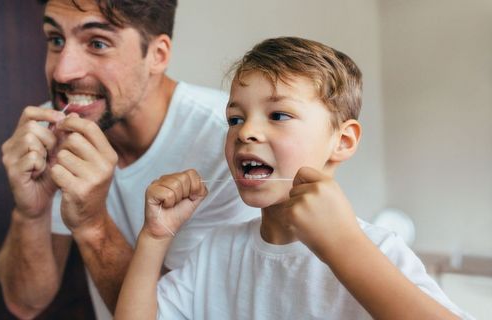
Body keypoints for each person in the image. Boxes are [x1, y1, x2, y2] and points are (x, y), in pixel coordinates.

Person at [114, 37, 472, 319]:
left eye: (279, 115)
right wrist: (154, 238)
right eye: (235, 119)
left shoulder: (378, 249)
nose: (246, 132)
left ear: (342, 141)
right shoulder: (215, 252)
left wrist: (344, 247)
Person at [0, 0, 258, 319]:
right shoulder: (53, 131)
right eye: (56, 40)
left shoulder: (233, 145)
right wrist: (31, 212)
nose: (63, 71)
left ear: (157, 55)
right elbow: (25, 303)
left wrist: (92, 224)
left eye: (97, 43)